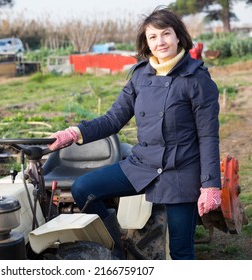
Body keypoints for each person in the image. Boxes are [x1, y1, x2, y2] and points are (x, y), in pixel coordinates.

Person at [48, 6, 222, 260]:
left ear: (178, 37)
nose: (160, 42)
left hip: (180, 171)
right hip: (143, 165)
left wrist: (210, 185)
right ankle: (115, 243)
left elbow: (208, 137)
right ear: (146, 43)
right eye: (153, 37)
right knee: (84, 188)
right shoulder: (140, 75)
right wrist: (75, 133)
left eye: (165, 34)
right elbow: (114, 118)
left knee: (181, 250)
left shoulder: (197, 80)